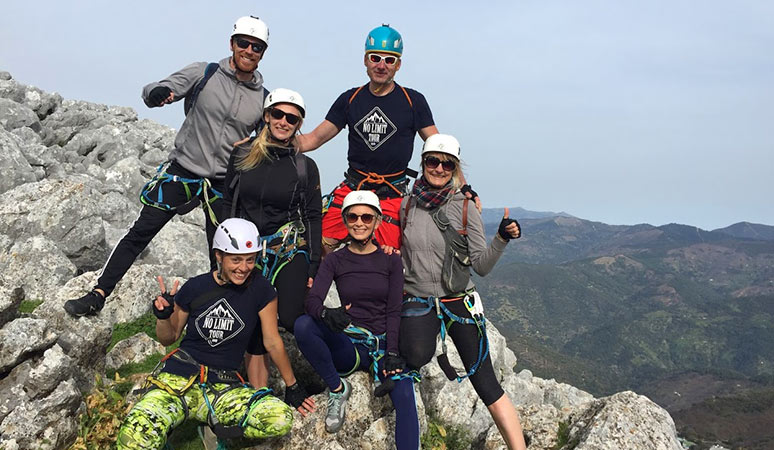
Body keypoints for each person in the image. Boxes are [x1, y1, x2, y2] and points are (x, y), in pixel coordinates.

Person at [65, 16, 271, 317]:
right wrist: (157, 94)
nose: (249, 50)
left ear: (263, 53)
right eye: (244, 43)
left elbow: (268, 141)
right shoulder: (205, 73)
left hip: (222, 182)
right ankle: (98, 294)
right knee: (141, 231)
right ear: (232, 43)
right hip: (183, 170)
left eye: (257, 46)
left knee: (224, 253)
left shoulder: (264, 99)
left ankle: (220, 321)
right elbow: (157, 88)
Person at [115, 218, 314, 450]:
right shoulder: (195, 287)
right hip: (178, 379)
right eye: (236, 259)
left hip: (222, 386)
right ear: (219, 256)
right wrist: (163, 317)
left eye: (250, 259)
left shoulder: (262, 291)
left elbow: (272, 341)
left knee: (279, 418)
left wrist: (293, 386)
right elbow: (168, 337)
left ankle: (217, 428)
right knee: (133, 440)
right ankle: (177, 425)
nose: (244, 268)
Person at [398, 135, 527, 450]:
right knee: (413, 356)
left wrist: (501, 238)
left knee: (486, 383)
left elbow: (481, 266)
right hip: (419, 299)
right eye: (433, 161)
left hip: (458, 300)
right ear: (423, 163)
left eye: (447, 164)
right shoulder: (407, 205)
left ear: (455, 168)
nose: (439, 168)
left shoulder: (465, 207)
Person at [296, 24, 450, 252]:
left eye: (389, 60)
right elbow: (313, 139)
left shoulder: (413, 101)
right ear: (366, 60)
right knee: (317, 246)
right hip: (353, 187)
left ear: (398, 65)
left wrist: (464, 188)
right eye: (375, 58)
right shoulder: (350, 99)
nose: (381, 65)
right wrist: (269, 142)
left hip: (392, 194)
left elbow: (440, 147)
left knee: (388, 257)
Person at [293, 191, 420, 449]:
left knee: (405, 394)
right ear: (345, 220)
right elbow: (313, 300)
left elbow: (394, 310)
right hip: (351, 345)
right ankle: (337, 389)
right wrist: (327, 314)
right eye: (353, 217)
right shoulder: (335, 260)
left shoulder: (391, 260)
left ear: (377, 221)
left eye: (366, 217)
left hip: (383, 346)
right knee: (303, 325)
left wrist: (393, 352)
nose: (359, 223)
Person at [223, 88, 322, 387]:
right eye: (278, 114)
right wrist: (223, 252)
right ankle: (258, 391)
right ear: (266, 116)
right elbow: (228, 203)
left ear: (298, 124)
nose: (283, 122)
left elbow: (313, 215)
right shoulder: (242, 154)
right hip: (247, 249)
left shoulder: (305, 166)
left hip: (287, 248)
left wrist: (313, 264)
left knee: (291, 317)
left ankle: (333, 363)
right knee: (250, 318)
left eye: (292, 118)